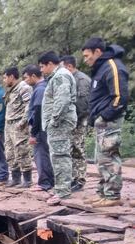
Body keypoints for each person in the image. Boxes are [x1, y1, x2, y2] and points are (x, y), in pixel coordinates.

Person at [82, 37, 130, 207]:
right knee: (101, 158)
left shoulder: (112, 67)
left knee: (109, 156)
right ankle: (103, 192)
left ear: (98, 52)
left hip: (109, 121)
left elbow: (121, 97)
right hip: (101, 123)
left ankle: (112, 196)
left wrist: (105, 116)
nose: (86, 60)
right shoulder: (100, 68)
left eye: (88, 56)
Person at [40, 51, 77, 205]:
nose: (41, 70)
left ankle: (62, 191)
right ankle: (60, 187)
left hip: (60, 123)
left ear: (50, 64)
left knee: (60, 156)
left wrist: (54, 120)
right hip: (57, 123)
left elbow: (62, 100)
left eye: (42, 66)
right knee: (57, 155)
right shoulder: (57, 76)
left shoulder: (61, 75)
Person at [60, 55, 92, 192]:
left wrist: (74, 120)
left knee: (78, 149)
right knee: (70, 149)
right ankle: (73, 178)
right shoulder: (68, 79)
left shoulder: (82, 79)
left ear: (69, 66)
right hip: (69, 121)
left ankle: (79, 179)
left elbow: (83, 104)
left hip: (79, 121)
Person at [23, 64, 54, 191]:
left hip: (41, 129)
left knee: (41, 156)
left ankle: (45, 183)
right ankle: (48, 181)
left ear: (33, 76)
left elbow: (38, 111)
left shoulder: (40, 89)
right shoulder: (42, 87)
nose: (25, 81)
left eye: (26, 78)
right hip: (44, 127)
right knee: (45, 155)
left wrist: (33, 134)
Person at [3, 66, 33, 189]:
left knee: (22, 151)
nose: (4, 80)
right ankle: (15, 178)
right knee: (9, 152)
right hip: (9, 123)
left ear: (11, 76)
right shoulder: (10, 90)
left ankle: (27, 179)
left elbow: (28, 106)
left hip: (18, 124)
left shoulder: (24, 88)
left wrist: (23, 122)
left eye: (5, 77)